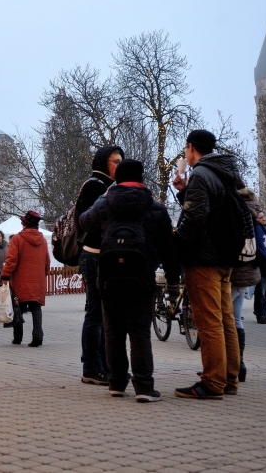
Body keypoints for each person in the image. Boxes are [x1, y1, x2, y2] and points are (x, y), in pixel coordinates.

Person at [80, 159, 180, 402]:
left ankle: (116, 383)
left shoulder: (104, 203)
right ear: (141, 178)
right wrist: (173, 281)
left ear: (117, 179)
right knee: (139, 333)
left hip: (109, 277)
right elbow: (168, 248)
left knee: (113, 331)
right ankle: (144, 387)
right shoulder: (155, 207)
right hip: (141, 277)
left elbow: (84, 221)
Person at [172, 129, 240, 399]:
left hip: (204, 258)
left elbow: (196, 218)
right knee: (226, 320)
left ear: (190, 148)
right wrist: (184, 193)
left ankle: (212, 382)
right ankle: (229, 379)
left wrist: (176, 247)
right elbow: (211, 210)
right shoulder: (224, 172)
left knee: (209, 322)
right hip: (225, 257)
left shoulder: (200, 173)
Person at [77, 145, 125, 385]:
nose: (118, 165)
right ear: (102, 163)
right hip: (94, 255)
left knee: (109, 314)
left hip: (110, 256)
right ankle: (91, 366)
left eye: (121, 161)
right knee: (95, 313)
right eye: (114, 161)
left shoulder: (116, 187)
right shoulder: (95, 186)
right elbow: (85, 221)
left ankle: (108, 365)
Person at [1, 211, 50, 347]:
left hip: (21, 280)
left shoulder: (17, 239)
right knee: (36, 308)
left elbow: (11, 260)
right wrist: (44, 273)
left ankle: (18, 338)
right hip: (37, 279)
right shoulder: (43, 240)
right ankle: (38, 337)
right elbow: (47, 260)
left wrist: (5, 275)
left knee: (19, 307)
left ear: (25, 225)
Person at [228, 187, 261, 383]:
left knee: (225, 318)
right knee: (236, 318)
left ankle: (230, 364)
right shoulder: (256, 214)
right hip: (250, 270)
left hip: (236, 271)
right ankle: (239, 365)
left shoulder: (238, 212)